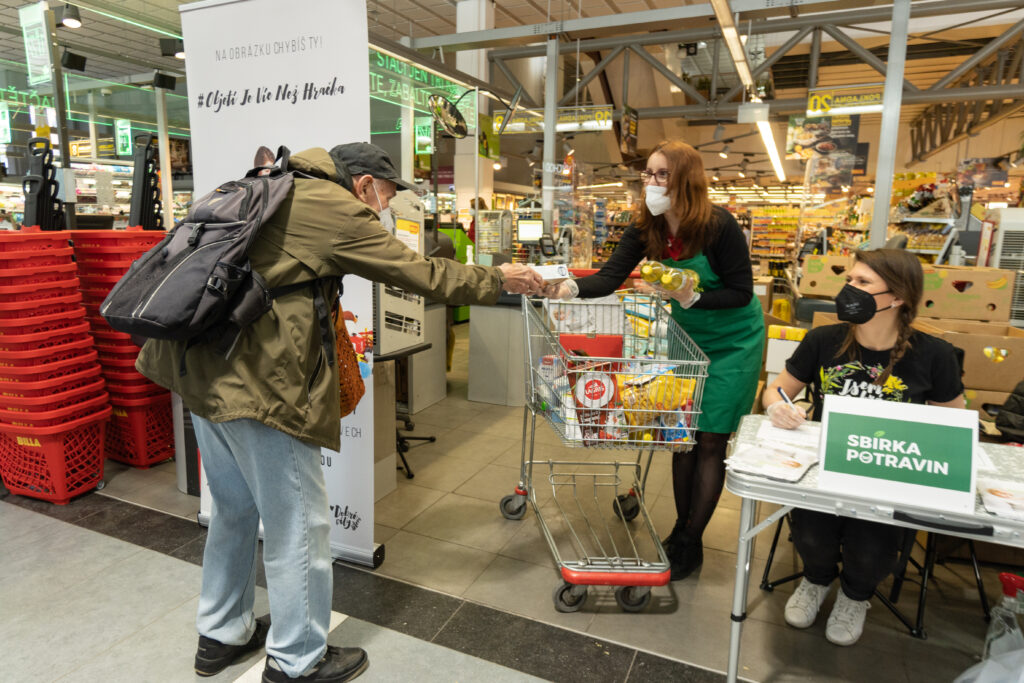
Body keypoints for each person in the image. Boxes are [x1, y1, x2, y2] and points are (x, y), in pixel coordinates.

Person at [135, 142, 543, 683]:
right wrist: (498, 280)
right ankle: (298, 659)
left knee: (233, 510)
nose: (388, 208)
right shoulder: (333, 207)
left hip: (201, 371)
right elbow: (421, 274)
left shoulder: (265, 186)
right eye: (390, 196)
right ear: (364, 184)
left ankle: (221, 632)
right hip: (258, 384)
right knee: (298, 525)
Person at [541, 139, 764, 580]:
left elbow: (741, 292)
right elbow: (609, 277)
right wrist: (566, 287)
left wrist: (693, 295)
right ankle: (682, 531)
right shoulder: (646, 226)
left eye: (662, 174)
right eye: (648, 174)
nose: (652, 183)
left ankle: (690, 540)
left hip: (734, 340)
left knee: (711, 441)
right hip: (689, 338)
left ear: (686, 180)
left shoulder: (719, 226)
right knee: (682, 439)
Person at [763, 248, 964, 647]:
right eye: (849, 280)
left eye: (862, 283)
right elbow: (775, 392)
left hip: (889, 477)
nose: (847, 290)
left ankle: (856, 596)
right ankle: (816, 580)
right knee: (812, 536)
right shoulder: (823, 339)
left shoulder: (934, 355)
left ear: (899, 297)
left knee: (872, 549)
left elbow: (955, 425)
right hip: (826, 469)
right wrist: (778, 409)